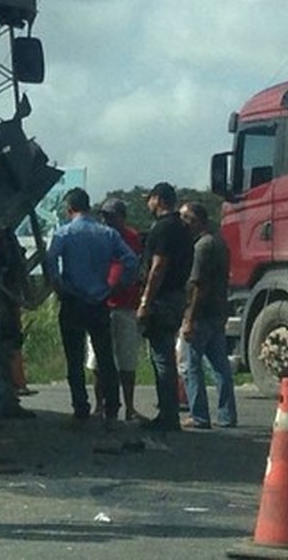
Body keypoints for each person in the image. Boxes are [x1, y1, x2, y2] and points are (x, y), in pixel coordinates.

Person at [45, 188, 138, 426]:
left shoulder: (64, 233)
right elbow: (131, 261)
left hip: (73, 301)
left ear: (69, 209)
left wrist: (59, 286)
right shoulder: (107, 234)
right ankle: (112, 409)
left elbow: (50, 262)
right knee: (106, 358)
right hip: (99, 301)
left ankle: (81, 408)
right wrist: (116, 287)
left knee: (74, 360)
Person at [137, 182, 193, 433]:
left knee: (161, 358)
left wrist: (145, 302)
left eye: (149, 199)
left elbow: (158, 266)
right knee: (166, 354)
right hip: (178, 294)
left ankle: (168, 415)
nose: (148, 203)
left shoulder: (163, 229)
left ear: (158, 199)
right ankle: (168, 412)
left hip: (163, 298)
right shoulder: (183, 228)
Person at [178, 202, 237, 429]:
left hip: (201, 313)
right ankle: (226, 414)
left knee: (191, 365)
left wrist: (189, 318)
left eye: (186, 218)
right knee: (219, 366)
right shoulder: (220, 242)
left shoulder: (202, 246)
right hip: (217, 311)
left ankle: (199, 415)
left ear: (197, 220)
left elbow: (198, 284)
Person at [86, 197, 144, 422]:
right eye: (104, 215)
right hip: (104, 303)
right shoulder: (98, 236)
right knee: (98, 359)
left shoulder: (132, 237)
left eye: (111, 216)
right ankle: (100, 405)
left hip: (126, 303)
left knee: (127, 358)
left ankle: (129, 406)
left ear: (122, 217)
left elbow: (135, 265)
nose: (106, 220)